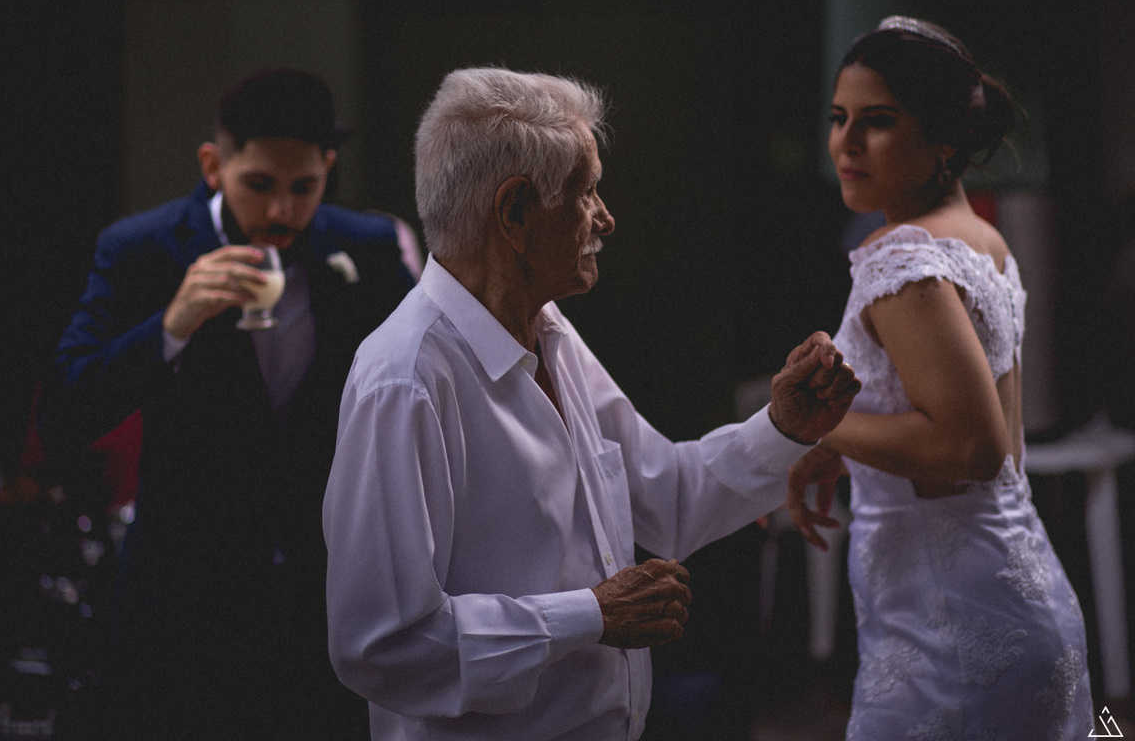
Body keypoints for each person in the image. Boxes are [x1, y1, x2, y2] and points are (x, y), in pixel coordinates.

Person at [321, 66, 860, 740]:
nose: (606, 217)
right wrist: (591, 615)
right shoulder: (405, 380)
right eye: (587, 192)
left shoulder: (550, 333)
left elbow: (665, 498)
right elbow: (381, 646)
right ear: (515, 213)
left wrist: (785, 428)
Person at [37, 69, 415, 740]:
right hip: (180, 608)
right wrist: (170, 327)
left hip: (324, 605)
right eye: (260, 185)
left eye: (304, 188)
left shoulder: (368, 250)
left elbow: (431, 390)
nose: (280, 213)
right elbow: (66, 413)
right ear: (214, 166)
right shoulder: (139, 250)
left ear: (328, 168)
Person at [787, 17, 1094, 738]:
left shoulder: (901, 258)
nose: (846, 143)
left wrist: (818, 423)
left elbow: (972, 448)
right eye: (839, 119)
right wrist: (848, 445)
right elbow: (1000, 450)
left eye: (879, 122)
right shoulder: (981, 241)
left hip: (950, 639)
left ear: (943, 141)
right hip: (1023, 603)